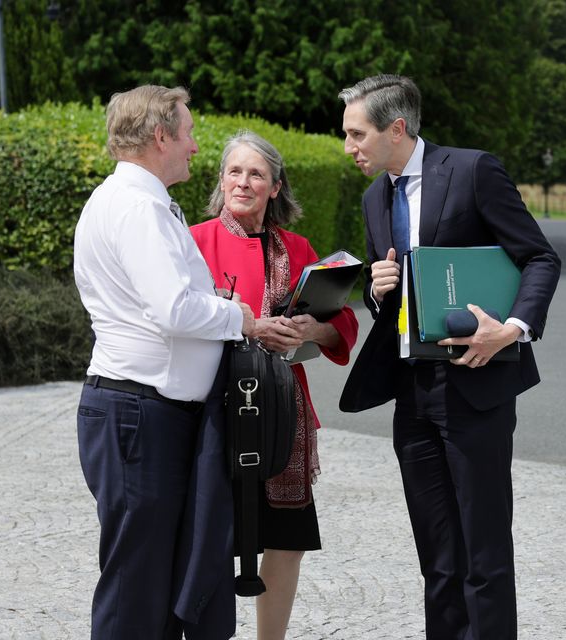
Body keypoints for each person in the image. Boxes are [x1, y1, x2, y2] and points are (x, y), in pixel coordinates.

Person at [338, 74, 561, 639]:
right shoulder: (373, 198)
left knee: (483, 558)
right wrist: (376, 287)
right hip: (411, 394)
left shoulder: (472, 170)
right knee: (437, 559)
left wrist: (510, 330)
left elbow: (539, 258)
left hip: (476, 383)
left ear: (396, 127)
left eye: (356, 134)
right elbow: (384, 296)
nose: (349, 147)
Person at [73, 85, 257, 639]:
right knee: (136, 589)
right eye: (189, 131)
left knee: (159, 581)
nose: (196, 146)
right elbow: (174, 308)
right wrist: (240, 318)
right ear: (160, 136)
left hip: (146, 412)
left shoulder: (139, 202)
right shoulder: (137, 206)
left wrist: (220, 308)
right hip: (138, 414)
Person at [190, 130, 359, 640]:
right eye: (234, 172)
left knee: (285, 541)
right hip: (214, 406)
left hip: (284, 411)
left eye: (256, 174)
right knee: (211, 535)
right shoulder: (193, 241)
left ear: (275, 186)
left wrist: (315, 329)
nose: (243, 182)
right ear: (221, 181)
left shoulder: (299, 248)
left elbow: (341, 322)